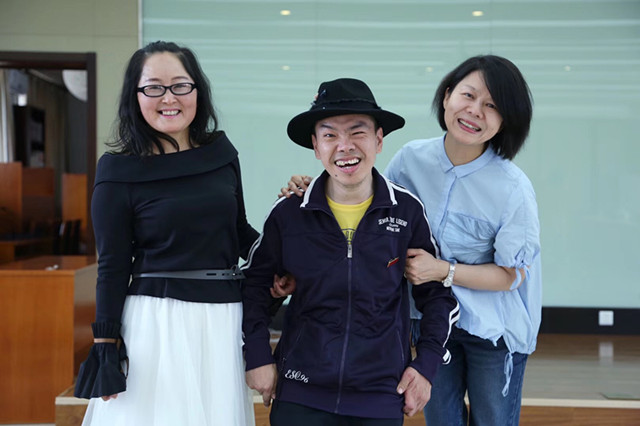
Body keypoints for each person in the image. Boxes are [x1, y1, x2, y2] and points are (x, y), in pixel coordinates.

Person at [280, 55, 541, 426]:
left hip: (491, 331)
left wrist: (443, 271)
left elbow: (513, 275)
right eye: (468, 96)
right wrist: (313, 188)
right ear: (447, 96)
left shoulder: (513, 187)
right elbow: (368, 202)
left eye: (492, 105)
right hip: (428, 321)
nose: (475, 111)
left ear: (506, 119)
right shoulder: (410, 159)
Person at [242, 78, 460, 426]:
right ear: (316, 146)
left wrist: (425, 367)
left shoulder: (406, 212)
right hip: (300, 391)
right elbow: (254, 286)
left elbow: (438, 297)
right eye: (330, 135)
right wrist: (257, 355)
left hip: (380, 395)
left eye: (358, 132)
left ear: (378, 140)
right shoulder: (289, 213)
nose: (345, 146)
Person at [73, 40, 262, 426]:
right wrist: (105, 344)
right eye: (154, 87)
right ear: (135, 95)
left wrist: (289, 244)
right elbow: (112, 266)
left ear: (197, 91)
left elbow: (238, 231)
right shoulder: (118, 171)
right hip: (157, 320)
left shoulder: (222, 155)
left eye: (180, 85)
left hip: (223, 318)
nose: (169, 97)